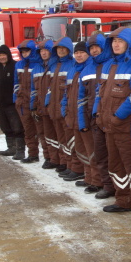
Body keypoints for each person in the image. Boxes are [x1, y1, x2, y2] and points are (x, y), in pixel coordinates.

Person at [94, 27, 131, 223]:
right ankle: (122, 200)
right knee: (115, 165)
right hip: (108, 126)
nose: (116, 44)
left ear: (128, 43)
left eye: (120, 41)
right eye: (113, 41)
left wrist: (118, 116)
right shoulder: (108, 65)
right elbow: (100, 93)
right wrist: (98, 114)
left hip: (125, 126)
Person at [79, 33, 115, 198]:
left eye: (96, 47)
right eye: (91, 48)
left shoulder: (112, 64)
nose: (94, 51)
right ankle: (105, 185)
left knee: (113, 154)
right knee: (99, 153)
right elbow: (81, 96)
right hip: (93, 117)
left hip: (109, 117)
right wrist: (82, 118)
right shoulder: (87, 69)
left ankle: (116, 186)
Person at [47, 37, 83, 179]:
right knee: (62, 138)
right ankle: (66, 163)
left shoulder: (72, 65)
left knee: (71, 139)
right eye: (58, 49)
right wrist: (47, 102)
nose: (61, 51)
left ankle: (75, 166)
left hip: (67, 109)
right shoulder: (54, 65)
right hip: (56, 107)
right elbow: (51, 88)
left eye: (64, 48)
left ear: (69, 50)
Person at [62, 42, 93, 186]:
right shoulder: (73, 70)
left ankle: (93, 178)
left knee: (89, 148)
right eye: (77, 53)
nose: (79, 55)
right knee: (79, 146)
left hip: (84, 115)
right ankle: (83, 173)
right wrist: (64, 109)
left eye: (82, 52)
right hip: (73, 113)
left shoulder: (89, 69)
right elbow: (66, 93)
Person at [0, 44, 25, 158]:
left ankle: (20, 150)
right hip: (0, 104)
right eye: (0, 55)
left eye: (4, 55)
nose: (2, 57)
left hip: (12, 104)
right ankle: (11, 148)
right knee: (5, 127)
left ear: (8, 55)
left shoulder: (14, 67)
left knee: (17, 127)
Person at [33, 40, 60, 168]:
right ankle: (48, 157)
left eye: (46, 50)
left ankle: (56, 159)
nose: (43, 53)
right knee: (43, 134)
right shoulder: (37, 67)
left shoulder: (55, 66)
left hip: (52, 107)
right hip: (40, 107)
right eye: (41, 51)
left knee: (54, 134)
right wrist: (33, 105)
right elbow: (34, 89)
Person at [14, 40, 41, 162]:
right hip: (22, 103)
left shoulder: (38, 64)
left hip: (36, 103)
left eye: (27, 51)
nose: (25, 54)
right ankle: (33, 154)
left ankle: (50, 157)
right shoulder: (19, 65)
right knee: (28, 130)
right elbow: (15, 82)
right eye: (23, 52)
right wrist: (16, 98)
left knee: (41, 131)